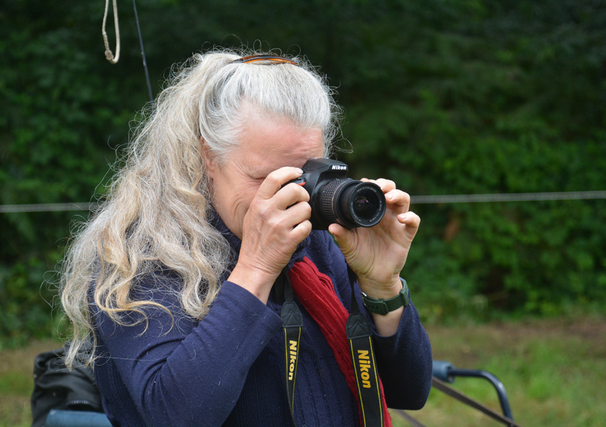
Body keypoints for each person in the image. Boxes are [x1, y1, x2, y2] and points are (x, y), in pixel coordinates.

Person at [60, 49, 432, 427]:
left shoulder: (313, 241)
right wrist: (257, 267)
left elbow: (409, 391)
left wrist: (382, 287)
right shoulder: (141, 257)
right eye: (266, 177)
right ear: (208, 156)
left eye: (307, 173)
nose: (291, 195)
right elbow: (173, 415)